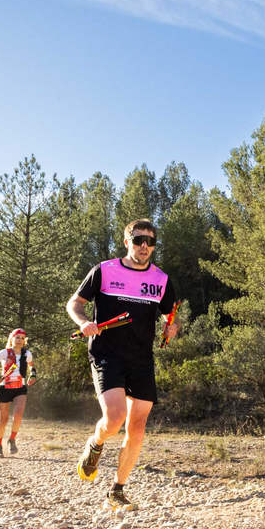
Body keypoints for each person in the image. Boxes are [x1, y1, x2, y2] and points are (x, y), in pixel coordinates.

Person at [66, 219, 179, 512]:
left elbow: (170, 314)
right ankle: (96, 442)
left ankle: (117, 490)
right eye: (139, 240)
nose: (144, 246)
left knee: (137, 427)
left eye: (150, 242)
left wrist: (172, 327)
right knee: (115, 418)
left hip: (141, 359)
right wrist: (84, 322)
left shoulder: (161, 279)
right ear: (127, 242)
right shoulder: (104, 270)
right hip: (107, 353)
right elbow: (74, 304)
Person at [0, 329, 36, 455]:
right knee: (3, 420)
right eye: (17, 337)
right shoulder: (4, 352)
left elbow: (32, 366)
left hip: (20, 387)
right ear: (12, 339)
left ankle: (12, 440)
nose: (19, 340)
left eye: (22, 338)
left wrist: (33, 375)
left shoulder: (27, 354)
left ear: (24, 341)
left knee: (18, 415)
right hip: (5, 388)